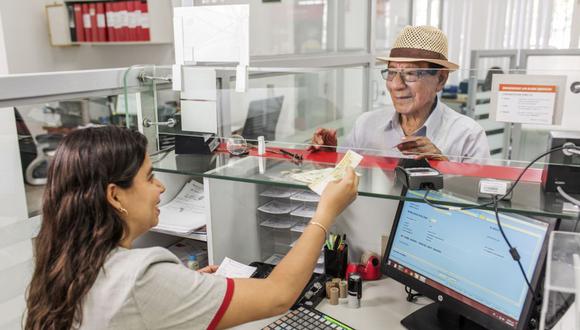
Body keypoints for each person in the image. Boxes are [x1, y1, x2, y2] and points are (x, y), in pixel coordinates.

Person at [25, 126, 359, 330]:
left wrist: (182, 289)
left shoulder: (62, 263)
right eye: (149, 177)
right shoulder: (141, 277)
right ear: (114, 195)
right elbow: (278, 297)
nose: (161, 188)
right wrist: (325, 212)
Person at [309, 25, 491, 162]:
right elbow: (342, 181)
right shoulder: (366, 125)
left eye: (411, 73)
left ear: (441, 80)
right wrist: (329, 157)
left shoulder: (468, 135)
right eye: (391, 72)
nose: (396, 85)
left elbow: (481, 204)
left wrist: (443, 167)